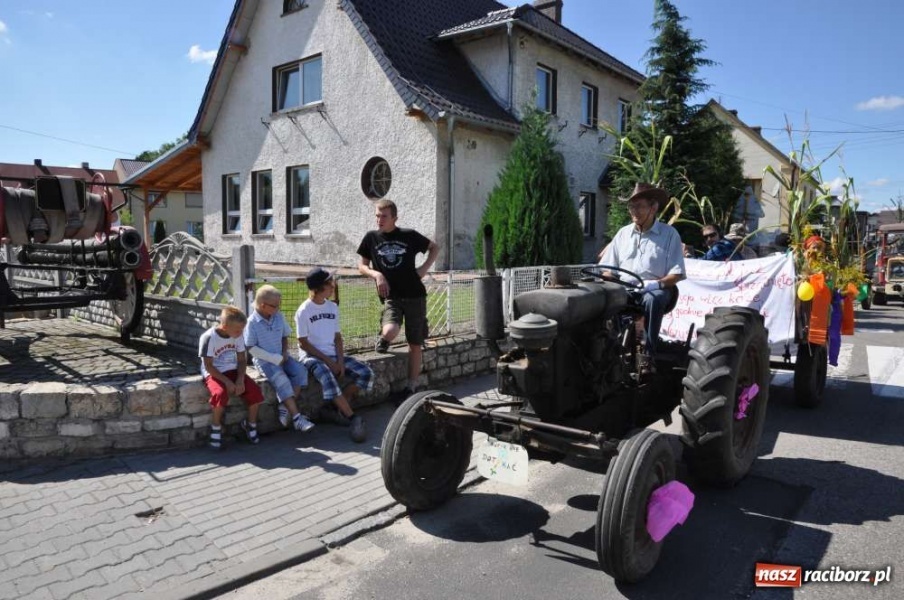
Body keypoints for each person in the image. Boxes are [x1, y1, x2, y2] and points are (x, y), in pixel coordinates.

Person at [598, 183, 686, 375]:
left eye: (639, 206)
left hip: (657, 288)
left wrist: (656, 283)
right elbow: (606, 269)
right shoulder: (623, 234)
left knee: (653, 299)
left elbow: (677, 273)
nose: (634, 211)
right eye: (631, 207)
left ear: (653, 208)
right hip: (625, 288)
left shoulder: (669, 235)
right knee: (597, 298)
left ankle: (648, 355)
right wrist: (611, 282)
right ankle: (606, 351)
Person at [357, 198, 439, 403]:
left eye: (384, 216)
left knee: (415, 344)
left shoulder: (408, 235)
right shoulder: (371, 238)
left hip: (415, 296)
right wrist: (377, 275)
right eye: (377, 215)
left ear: (395, 217)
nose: (379, 220)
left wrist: (424, 268)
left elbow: (434, 247)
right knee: (391, 331)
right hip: (392, 297)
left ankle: (411, 387)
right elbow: (361, 265)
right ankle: (384, 338)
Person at [295, 267, 373, 443]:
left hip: (333, 355)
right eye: (330, 283)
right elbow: (303, 343)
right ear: (320, 287)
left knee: (366, 373)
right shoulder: (304, 311)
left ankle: (336, 406)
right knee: (327, 375)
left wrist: (339, 360)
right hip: (311, 356)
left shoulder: (332, 307)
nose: (333, 286)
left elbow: (338, 338)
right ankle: (352, 418)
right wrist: (330, 362)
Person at [244, 285, 316, 434]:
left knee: (300, 371)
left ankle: (284, 406)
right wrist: (272, 358)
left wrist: (284, 353)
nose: (278, 308)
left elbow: (284, 335)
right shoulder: (251, 322)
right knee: (281, 379)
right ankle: (297, 418)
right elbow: (250, 347)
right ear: (263, 305)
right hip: (264, 361)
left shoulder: (278, 316)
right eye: (275, 306)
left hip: (282, 356)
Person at [199, 306, 264, 449]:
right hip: (214, 373)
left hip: (233, 370)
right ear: (224, 326)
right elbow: (209, 366)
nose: (241, 333)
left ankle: (250, 425)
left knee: (255, 392)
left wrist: (240, 379)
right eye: (237, 330)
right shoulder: (208, 338)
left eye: (242, 330)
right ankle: (216, 427)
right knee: (220, 394)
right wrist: (228, 382)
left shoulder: (238, 335)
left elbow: (241, 360)